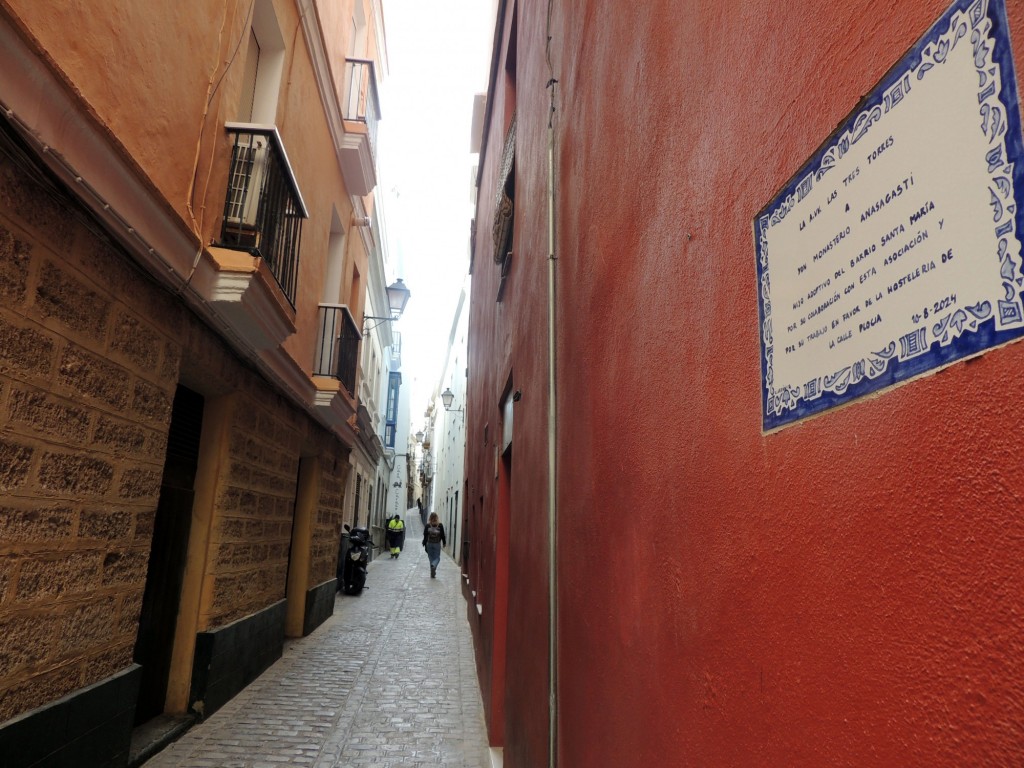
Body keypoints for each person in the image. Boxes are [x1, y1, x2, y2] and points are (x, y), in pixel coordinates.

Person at [422, 512, 446, 578]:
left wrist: (424, 543)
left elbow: (425, 535)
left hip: (429, 544)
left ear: (430, 518)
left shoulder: (427, 525)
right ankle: (433, 567)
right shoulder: (440, 525)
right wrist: (444, 543)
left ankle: (432, 573)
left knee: (431, 558)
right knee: (437, 558)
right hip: (437, 544)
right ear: (437, 518)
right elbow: (443, 535)